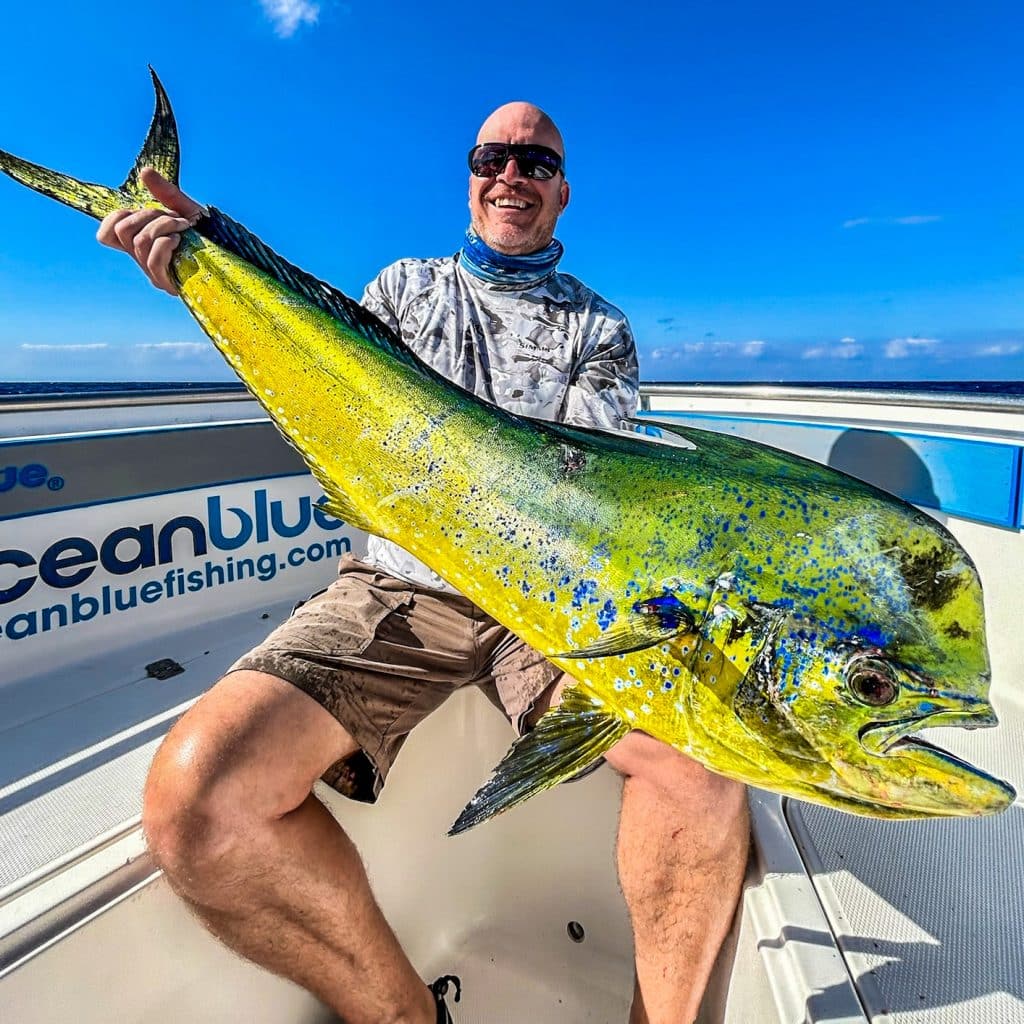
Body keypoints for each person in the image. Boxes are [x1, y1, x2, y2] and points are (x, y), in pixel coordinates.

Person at [97, 101, 750, 1024]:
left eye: (535, 161)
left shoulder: (599, 329)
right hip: (400, 589)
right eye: (493, 157)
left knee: (698, 765)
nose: (511, 174)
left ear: (562, 189)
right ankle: (403, 1014)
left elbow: (584, 477)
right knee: (196, 800)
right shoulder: (405, 288)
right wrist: (205, 257)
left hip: (550, 600)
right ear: (472, 176)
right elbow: (320, 356)